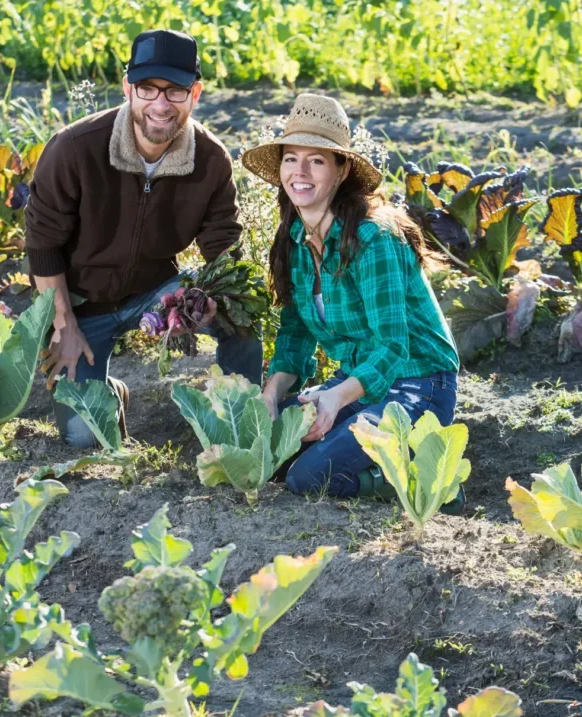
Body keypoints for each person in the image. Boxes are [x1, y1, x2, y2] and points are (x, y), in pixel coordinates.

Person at [25, 29, 262, 448]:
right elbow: (43, 244)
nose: (160, 104)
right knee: (84, 436)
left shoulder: (209, 159)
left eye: (174, 91)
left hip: (157, 290)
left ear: (196, 94)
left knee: (239, 318)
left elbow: (223, 244)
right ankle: (112, 391)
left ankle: (238, 426)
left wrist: (213, 299)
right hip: (80, 305)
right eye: (147, 88)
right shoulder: (74, 149)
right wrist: (63, 325)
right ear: (127, 88)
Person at [242, 94, 462, 504]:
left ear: (342, 171)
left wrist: (335, 397)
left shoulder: (374, 238)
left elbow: (394, 347)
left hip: (418, 384)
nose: (300, 172)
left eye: (317, 161)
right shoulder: (293, 239)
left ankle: (426, 481)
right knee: (273, 459)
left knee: (309, 478)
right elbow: (294, 334)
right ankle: (374, 453)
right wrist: (271, 393)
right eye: (291, 159)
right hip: (360, 381)